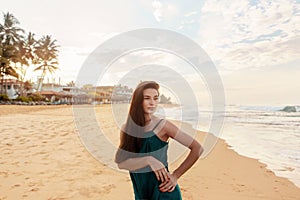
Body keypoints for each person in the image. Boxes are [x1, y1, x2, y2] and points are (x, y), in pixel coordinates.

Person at [115, 81, 203, 200]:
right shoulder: (127, 129)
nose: (152, 103)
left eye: (156, 98)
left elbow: (197, 148)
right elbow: (122, 163)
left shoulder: (163, 126)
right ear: (138, 101)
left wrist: (176, 175)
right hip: (141, 194)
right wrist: (148, 160)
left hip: (164, 192)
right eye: (147, 98)